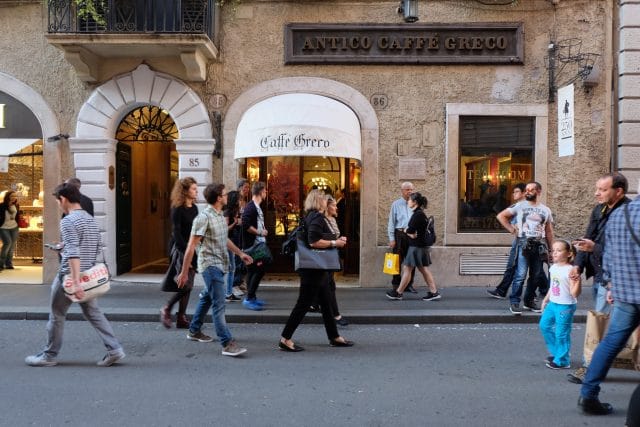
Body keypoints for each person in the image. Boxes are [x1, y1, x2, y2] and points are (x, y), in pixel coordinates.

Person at [25, 183, 125, 367]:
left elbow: (73, 252)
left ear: (63, 199)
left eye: (57, 201)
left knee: (57, 315)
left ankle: (49, 355)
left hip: (70, 277)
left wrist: (76, 281)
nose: (58, 205)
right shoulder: (89, 218)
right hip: (88, 276)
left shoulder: (68, 221)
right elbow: (91, 247)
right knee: (94, 313)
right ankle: (114, 349)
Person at [578, 182, 640, 416]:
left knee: (610, 343)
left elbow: (609, 256)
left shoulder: (620, 214)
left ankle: (588, 394)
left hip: (625, 293)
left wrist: (611, 284)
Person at [567, 173, 631, 383]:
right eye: (598, 189)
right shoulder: (599, 210)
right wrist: (577, 265)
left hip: (617, 281)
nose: (597, 193)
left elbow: (623, 252)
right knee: (601, 325)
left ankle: (589, 370)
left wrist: (595, 248)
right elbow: (589, 237)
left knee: (606, 328)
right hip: (600, 276)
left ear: (618, 191)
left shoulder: (627, 213)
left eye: (603, 190)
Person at [177, 183, 252, 357]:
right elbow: (191, 246)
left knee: (207, 298)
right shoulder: (203, 218)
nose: (227, 196)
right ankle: (227, 343)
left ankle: (194, 330)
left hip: (220, 264)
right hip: (210, 266)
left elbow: (224, 240)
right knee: (219, 304)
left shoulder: (219, 216)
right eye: (225, 194)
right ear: (219, 198)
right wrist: (183, 271)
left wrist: (240, 254)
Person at [279, 190, 354, 352]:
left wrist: (336, 240)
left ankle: (334, 336)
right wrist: (335, 243)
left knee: (327, 303)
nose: (325, 201)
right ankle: (285, 338)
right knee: (303, 304)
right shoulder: (317, 217)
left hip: (318, 269)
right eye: (322, 199)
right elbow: (313, 241)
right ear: (317, 201)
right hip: (313, 269)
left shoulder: (312, 216)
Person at [497, 181, 554, 315]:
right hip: (523, 242)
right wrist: (511, 229)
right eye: (527, 190)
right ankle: (515, 302)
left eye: (531, 190)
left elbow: (549, 231)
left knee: (536, 275)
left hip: (539, 244)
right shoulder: (519, 206)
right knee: (520, 274)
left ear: (538, 192)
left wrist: (551, 249)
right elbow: (501, 216)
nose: (527, 192)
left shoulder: (546, 210)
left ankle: (529, 301)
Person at [386, 192, 440, 301]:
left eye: (410, 200)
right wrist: (410, 232)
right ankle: (433, 292)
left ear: (415, 202)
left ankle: (398, 292)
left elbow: (410, 229)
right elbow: (413, 231)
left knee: (408, 268)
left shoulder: (417, 214)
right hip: (419, 246)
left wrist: (407, 231)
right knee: (420, 269)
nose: (408, 202)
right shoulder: (419, 213)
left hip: (417, 247)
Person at [160, 177, 199, 329]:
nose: (196, 191)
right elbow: (176, 233)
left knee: (189, 283)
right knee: (186, 284)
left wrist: (196, 247)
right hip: (180, 248)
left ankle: (181, 317)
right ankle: (167, 308)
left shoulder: (194, 208)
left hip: (192, 248)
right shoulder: (177, 208)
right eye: (194, 189)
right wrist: (187, 251)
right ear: (185, 191)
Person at [539, 240, 581, 369]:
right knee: (544, 326)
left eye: (559, 250)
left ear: (568, 254)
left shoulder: (571, 270)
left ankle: (563, 361)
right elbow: (553, 286)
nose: (554, 253)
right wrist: (546, 299)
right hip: (553, 303)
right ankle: (558, 353)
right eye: (553, 250)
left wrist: (578, 281)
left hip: (566, 306)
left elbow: (575, 294)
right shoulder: (553, 267)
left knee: (561, 334)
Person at [487, 183, 526, 299]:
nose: (514, 194)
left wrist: (511, 229)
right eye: (513, 192)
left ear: (524, 193)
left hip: (521, 240)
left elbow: (500, 216)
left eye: (517, 191)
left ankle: (502, 291)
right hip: (522, 240)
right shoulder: (520, 206)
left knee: (514, 266)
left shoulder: (520, 206)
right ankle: (502, 290)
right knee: (534, 268)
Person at [241, 181, 269, 310]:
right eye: (265, 191)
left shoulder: (256, 207)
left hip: (257, 244)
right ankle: (249, 298)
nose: (266, 193)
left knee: (255, 270)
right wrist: (259, 232)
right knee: (257, 270)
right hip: (253, 246)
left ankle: (251, 297)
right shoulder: (251, 207)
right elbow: (245, 224)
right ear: (261, 192)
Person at [387, 181, 417, 293]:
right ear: (402, 191)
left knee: (411, 261)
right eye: (407, 189)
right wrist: (392, 238)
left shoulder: (415, 203)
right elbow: (391, 222)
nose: (410, 191)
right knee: (396, 261)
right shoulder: (396, 204)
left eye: (411, 189)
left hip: (412, 235)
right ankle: (396, 285)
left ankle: (409, 285)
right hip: (399, 235)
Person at [324, 195, 349, 327]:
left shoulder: (332, 219)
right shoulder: (321, 220)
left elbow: (335, 235)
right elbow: (317, 241)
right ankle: (336, 315)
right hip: (324, 259)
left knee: (325, 286)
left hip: (329, 256)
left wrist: (340, 240)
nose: (336, 207)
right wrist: (336, 242)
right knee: (330, 286)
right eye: (334, 205)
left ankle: (315, 305)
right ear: (327, 207)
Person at [224, 190, 242, 302]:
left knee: (232, 267)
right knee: (230, 268)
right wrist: (235, 223)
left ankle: (229, 293)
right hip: (227, 242)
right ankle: (228, 293)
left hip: (232, 241)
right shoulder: (227, 212)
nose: (240, 201)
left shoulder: (235, 211)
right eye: (239, 199)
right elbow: (225, 229)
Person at [0, 190, 22, 270]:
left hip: (14, 227)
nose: (14, 197)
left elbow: (16, 216)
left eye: (15, 196)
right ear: (8, 196)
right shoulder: (2, 205)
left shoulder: (16, 205)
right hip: (3, 227)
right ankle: (1, 263)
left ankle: (9, 263)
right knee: (7, 243)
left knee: (12, 246)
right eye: (12, 196)